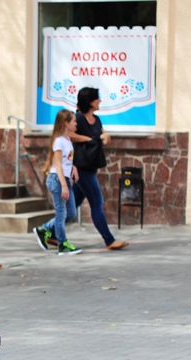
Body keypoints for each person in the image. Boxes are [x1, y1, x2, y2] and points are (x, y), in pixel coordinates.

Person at [71, 86, 129, 251]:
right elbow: (68, 134)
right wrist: (89, 139)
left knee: (72, 206)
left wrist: (106, 137)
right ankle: (109, 240)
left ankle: (48, 231)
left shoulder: (96, 119)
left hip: (92, 165)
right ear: (90, 102)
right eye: (97, 98)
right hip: (81, 167)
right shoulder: (78, 118)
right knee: (97, 202)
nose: (100, 100)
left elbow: (103, 136)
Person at [33, 109, 82, 255]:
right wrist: (64, 186)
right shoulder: (59, 141)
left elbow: (65, 161)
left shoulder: (67, 140)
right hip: (58, 180)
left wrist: (73, 167)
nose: (76, 123)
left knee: (71, 213)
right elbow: (58, 164)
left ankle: (44, 229)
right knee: (61, 213)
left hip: (64, 179)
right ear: (66, 123)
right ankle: (62, 244)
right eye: (73, 121)